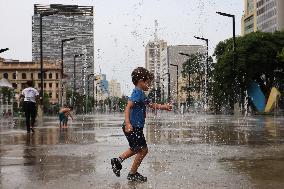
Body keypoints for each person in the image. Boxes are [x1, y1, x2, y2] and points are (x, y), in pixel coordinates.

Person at [111, 67, 172, 182]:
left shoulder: (141, 94)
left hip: (134, 127)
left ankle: (118, 160)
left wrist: (164, 107)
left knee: (135, 149)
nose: (149, 85)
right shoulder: (137, 94)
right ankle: (132, 173)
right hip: (132, 127)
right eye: (148, 82)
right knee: (143, 150)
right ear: (141, 82)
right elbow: (128, 107)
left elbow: (150, 104)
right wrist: (128, 123)